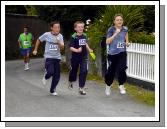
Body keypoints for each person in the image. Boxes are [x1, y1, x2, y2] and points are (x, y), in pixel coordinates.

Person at [32, 21, 64, 96]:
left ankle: (52, 90)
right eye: (55, 27)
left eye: (58, 27)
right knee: (50, 72)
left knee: (57, 76)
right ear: (51, 28)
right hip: (49, 57)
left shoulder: (60, 36)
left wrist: (59, 42)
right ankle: (46, 76)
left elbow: (62, 47)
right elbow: (39, 40)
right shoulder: (47, 34)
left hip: (57, 57)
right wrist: (35, 49)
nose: (57, 29)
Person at [105, 14, 130, 96]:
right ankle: (108, 86)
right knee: (111, 72)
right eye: (117, 20)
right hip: (112, 54)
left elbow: (126, 35)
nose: (119, 21)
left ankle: (121, 85)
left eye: (121, 20)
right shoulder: (111, 29)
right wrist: (115, 33)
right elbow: (107, 42)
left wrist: (127, 42)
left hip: (122, 52)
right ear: (114, 21)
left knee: (122, 69)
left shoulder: (125, 29)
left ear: (122, 21)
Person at [68, 21, 93, 95]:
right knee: (74, 72)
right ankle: (70, 81)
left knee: (84, 71)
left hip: (83, 57)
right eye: (79, 27)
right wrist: (77, 50)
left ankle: (81, 88)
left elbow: (85, 43)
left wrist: (89, 49)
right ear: (75, 28)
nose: (81, 28)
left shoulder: (84, 35)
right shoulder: (73, 36)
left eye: (82, 27)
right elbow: (71, 47)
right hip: (75, 57)